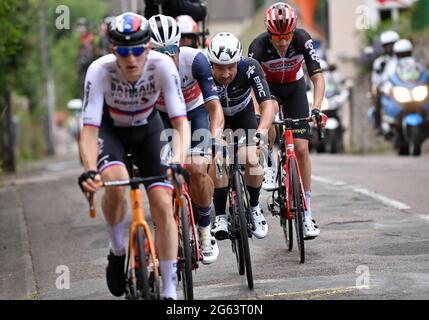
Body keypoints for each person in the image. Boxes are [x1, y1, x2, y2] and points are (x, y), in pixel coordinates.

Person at [77, 12, 191, 300]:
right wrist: (90, 170)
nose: (131, 59)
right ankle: (117, 252)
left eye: (138, 51)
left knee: (164, 205)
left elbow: (180, 122)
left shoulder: (163, 65)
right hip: (111, 130)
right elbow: (89, 131)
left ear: (148, 48)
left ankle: (168, 290)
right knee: (116, 184)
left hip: (148, 130)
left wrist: (177, 161)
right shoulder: (99, 70)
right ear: (113, 50)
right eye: (124, 52)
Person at [148, 14, 224, 264]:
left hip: (194, 111)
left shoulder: (196, 60)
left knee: (198, 168)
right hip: (162, 117)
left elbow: (214, 108)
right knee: (159, 175)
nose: (167, 57)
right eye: (159, 51)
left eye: (172, 49)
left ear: (180, 45)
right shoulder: (142, 69)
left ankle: (204, 229)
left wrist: (214, 139)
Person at [248, 2, 325, 239]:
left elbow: (318, 78)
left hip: (294, 89)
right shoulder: (258, 46)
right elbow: (251, 85)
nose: (282, 42)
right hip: (268, 89)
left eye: (287, 36)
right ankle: (270, 161)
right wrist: (258, 114)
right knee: (268, 116)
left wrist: (316, 109)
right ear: (269, 33)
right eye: (277, 37)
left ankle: (307, 212)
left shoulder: (302, 39)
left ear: (294, 31)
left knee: (301, 148)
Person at [207, 32, 275, 241]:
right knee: (216, 160)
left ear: (239, 61)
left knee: (251, 158)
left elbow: (267, 105)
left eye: (231, 67)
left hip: (243, 117)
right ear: (211, 64)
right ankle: (220, 215)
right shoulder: (202, 71)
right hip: (214, 119)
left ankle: (254, 208)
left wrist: (262, 131)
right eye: (219, 67)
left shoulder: (251, 67)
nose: (226, 73)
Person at [371, 30, 399, 132]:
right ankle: (379, 123)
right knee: (378, 97)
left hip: (401, 86)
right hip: (387, 88)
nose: (391, 48)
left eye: (393, 44)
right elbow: (375, 79)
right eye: (388, 45)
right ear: (384, 47)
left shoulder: (402, 58)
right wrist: (378, 85)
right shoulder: (380, 62)